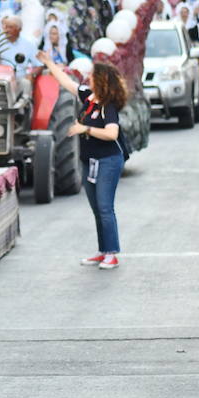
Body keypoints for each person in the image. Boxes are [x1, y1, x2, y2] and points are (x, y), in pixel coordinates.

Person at [38, 51, 126, 269]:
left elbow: (112, 134)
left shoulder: (108, 106)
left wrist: (84, 128)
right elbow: (67, 82)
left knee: (106, 207)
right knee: (97, 208)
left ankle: (112, 254)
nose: (89, 78)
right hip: (90, 161)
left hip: (108, 161)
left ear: (103, 81)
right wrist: (49, 63)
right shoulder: (88, 97)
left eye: (93, 76)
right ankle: (102, 250)